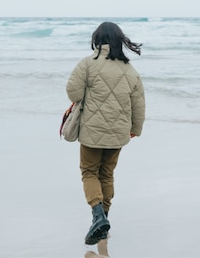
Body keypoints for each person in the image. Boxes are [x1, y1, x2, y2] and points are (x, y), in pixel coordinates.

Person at [66, 21, 146, 245]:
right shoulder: (130, 70)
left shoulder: (88, 64)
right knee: (107, 174)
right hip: (119, 133)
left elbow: (72, 92)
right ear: (120, 41)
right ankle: (104, 222)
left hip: (92, 131)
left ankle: (97, 216)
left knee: (89, 172)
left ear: (98, 39)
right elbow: (139, 104)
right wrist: (135, 129)